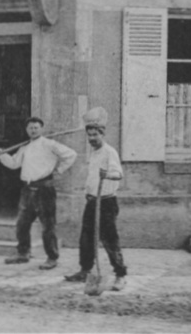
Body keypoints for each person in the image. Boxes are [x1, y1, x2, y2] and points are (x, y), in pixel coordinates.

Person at [0, 116, 77, 270]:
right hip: (27, 190)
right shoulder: (24, 147)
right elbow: (13, 164)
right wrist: (1, 154)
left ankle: (52, 258)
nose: (33, 130)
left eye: (36, 127)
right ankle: (23, 253)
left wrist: (59, 170)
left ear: (41, 129)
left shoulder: (50, 144)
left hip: (44, 190)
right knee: (22, 224)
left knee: (47, 226)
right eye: (30, 128)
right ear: (26, 130)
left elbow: (71, 155)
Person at [65, 107, 127, 290]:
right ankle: (85, 270)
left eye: (95, 135)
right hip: (92, 201)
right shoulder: (93, 152)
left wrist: (107, 174)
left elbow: (118, 174)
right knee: (86, 238)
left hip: (106, 202)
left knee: (109, 239)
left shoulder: (110, 152)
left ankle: (121, 275)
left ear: (102, 134)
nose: (92, 138)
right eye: (89, 135)